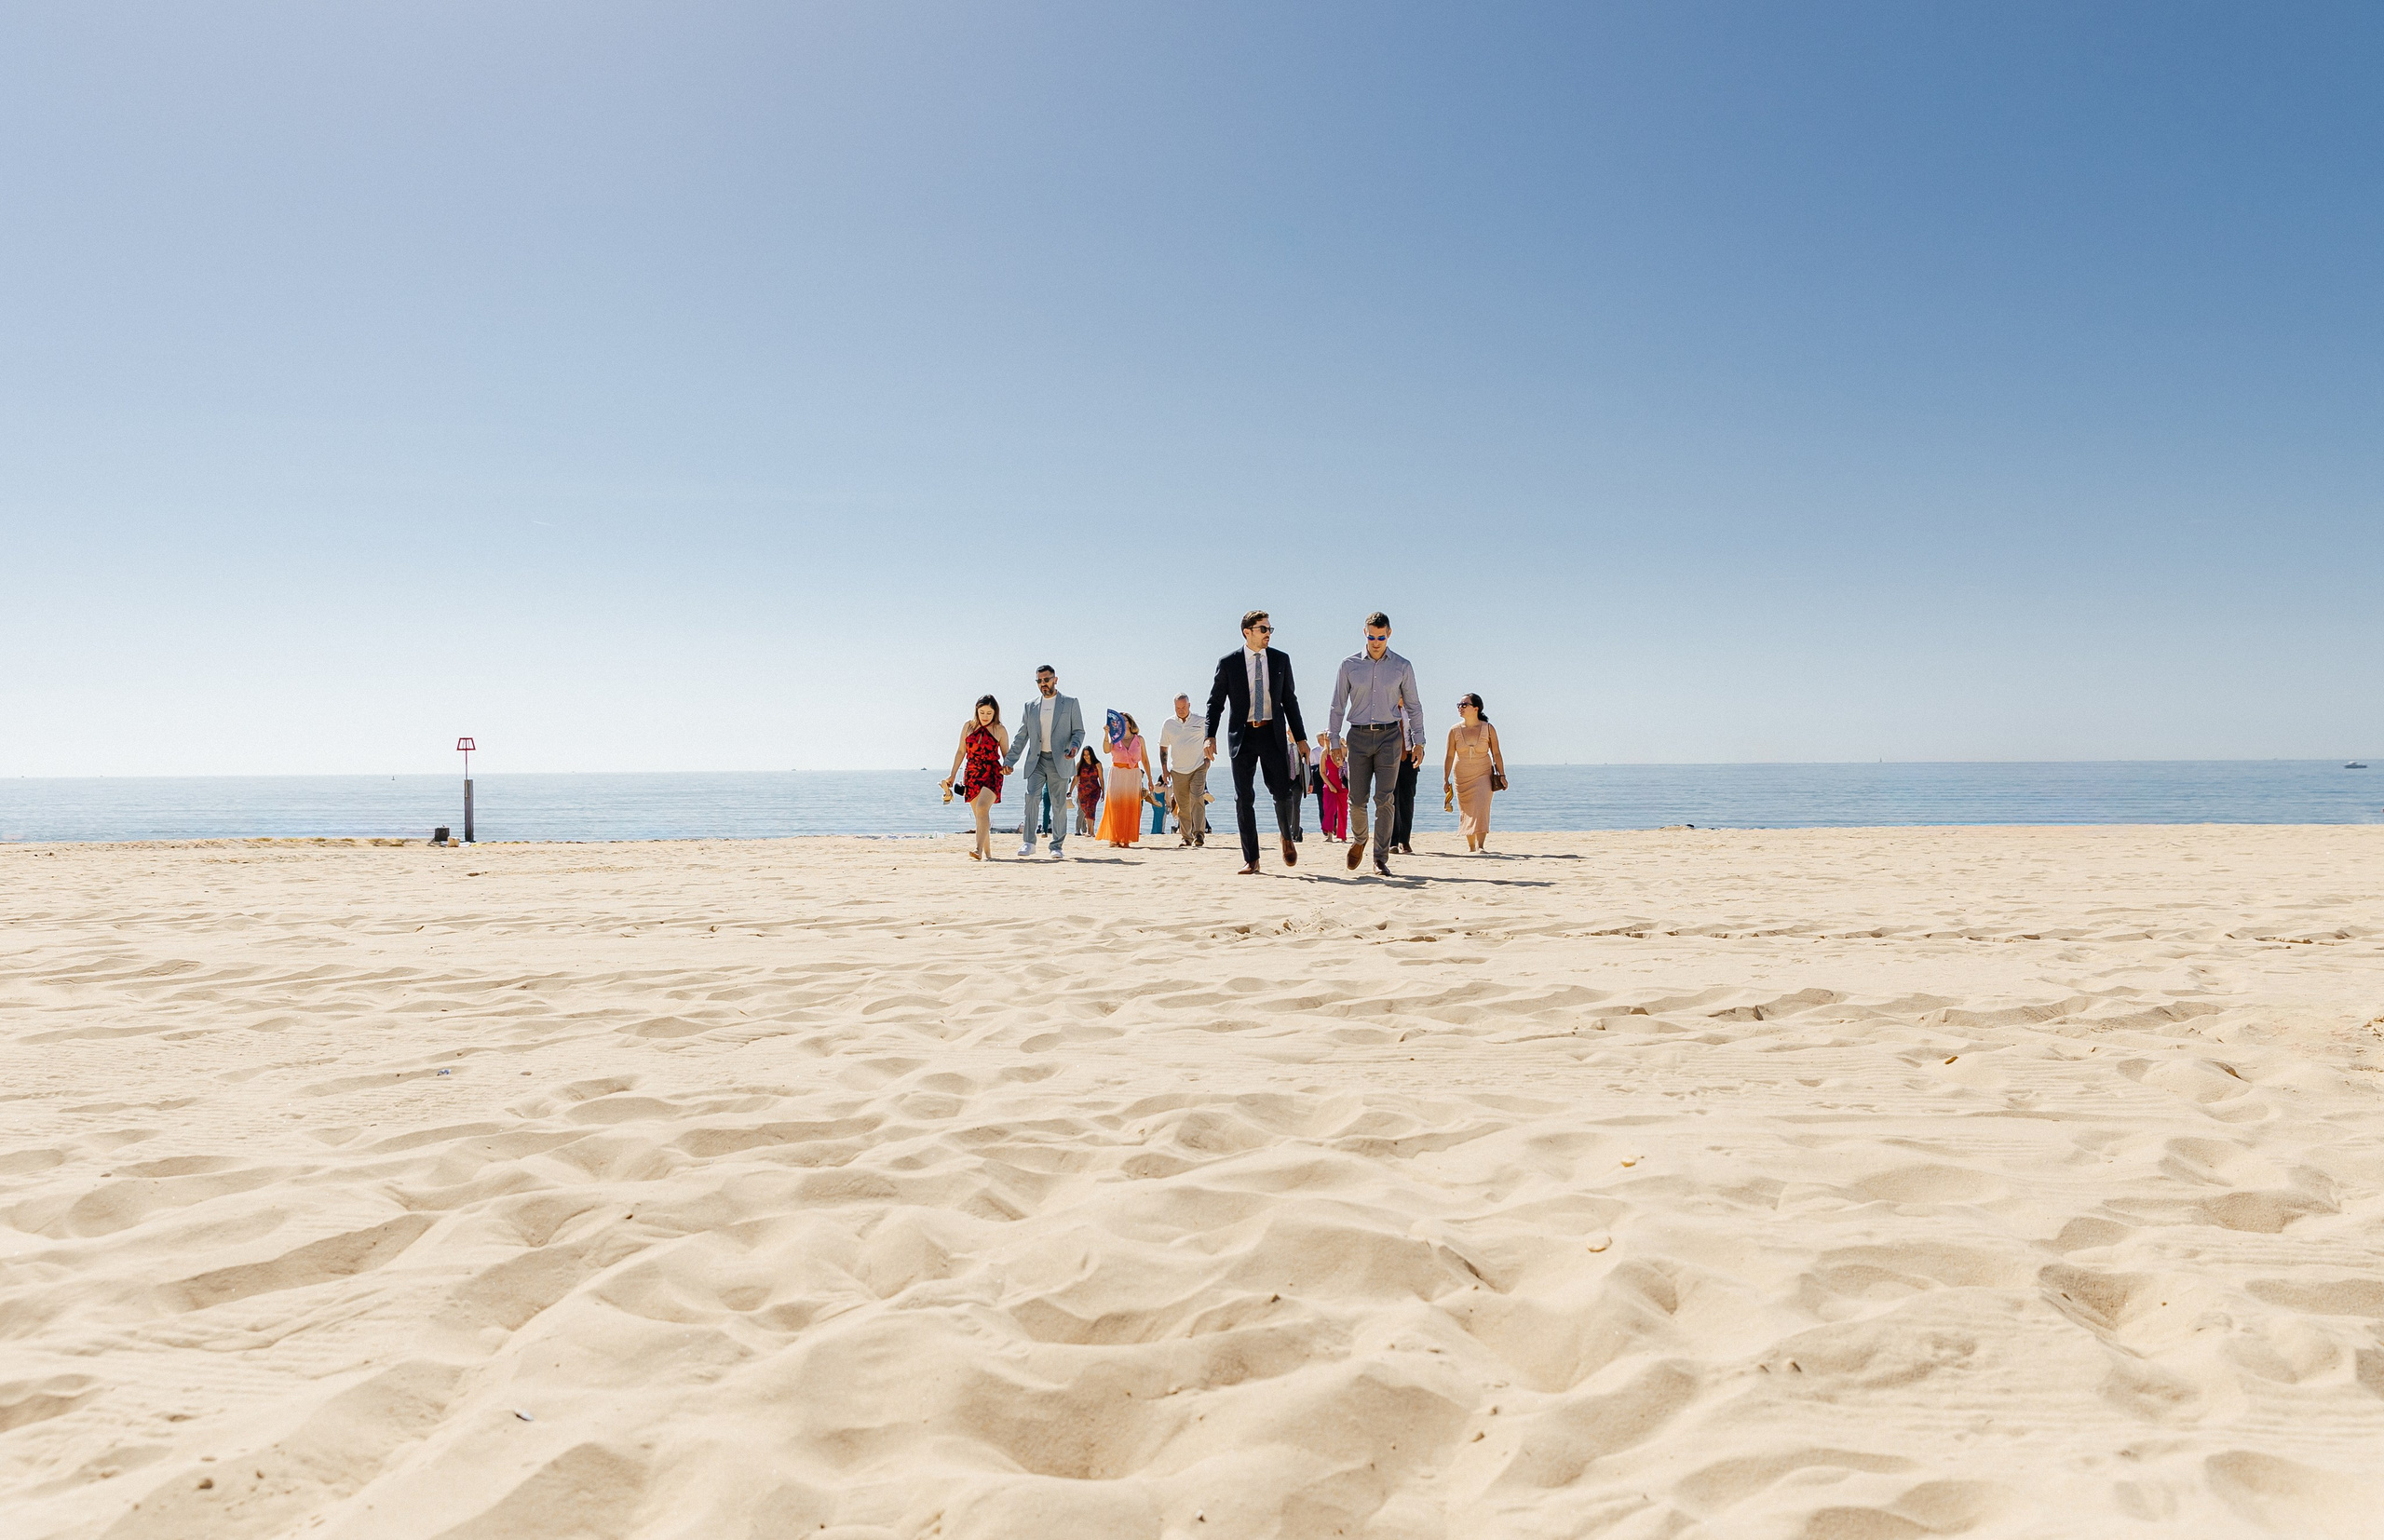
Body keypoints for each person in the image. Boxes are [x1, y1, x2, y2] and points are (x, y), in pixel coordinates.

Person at [1203, 609, 1308, 874]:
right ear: (1247, 632)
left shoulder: (1281, 660)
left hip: (1272, 733)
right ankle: (1252, 859)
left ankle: (1286, 836)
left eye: (1270, 629)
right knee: (1243, 798)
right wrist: (1209, 736)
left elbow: (1290, 701)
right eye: (1263, 629)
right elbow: (1215, 703)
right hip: (1243, 736)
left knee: (1282, 792)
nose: (1268, 634)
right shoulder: (1229, 663)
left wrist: (1302, 737)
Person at [1325, 611, 1426, 877]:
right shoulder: (1349, 665)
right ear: (1365, 633)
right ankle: (1360, 840)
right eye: (1372, 636)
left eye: (1381, 637)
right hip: (1357, 737)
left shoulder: (1402, 666)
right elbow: (1337, 705)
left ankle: (1380, 859)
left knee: (1385, 799)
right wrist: (1334, 740)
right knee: (1357, 801)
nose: (1376, 641)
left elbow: (1414, 707)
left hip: (1390, 737)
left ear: (1389, 634)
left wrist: (1419, 741)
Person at [1004, 665, 1085, 858]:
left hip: (1061, 760)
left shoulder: (1070, 703)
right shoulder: (1030, 706)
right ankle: (1029, 843)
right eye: (1039, 681)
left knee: (1058, 804)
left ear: (1055, 680)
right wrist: (1010, 761)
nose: (1043, 684)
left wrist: (1074, 748)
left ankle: (1056, 846)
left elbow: (1079, 731)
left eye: (1046, 680)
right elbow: (1021, 736)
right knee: (1031, 798)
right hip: (1036, 760)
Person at [939, 696, 1009, 860]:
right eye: (982, 712)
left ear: (995, 713)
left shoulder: (1000, 729)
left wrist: (1008, 767)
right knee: (980, 816)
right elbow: (961, 752)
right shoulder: (968, 727)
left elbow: (1007, 754)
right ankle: (989, 854)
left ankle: (977, 849)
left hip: (992, 772)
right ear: (976, 711)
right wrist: (953, 775)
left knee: (982, 807)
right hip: (972, 773)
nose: (985, 716)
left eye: (989, 713)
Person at [1444, 692, 1507, 852]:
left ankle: (1481, 846)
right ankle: (1471, 847)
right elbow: (1450, 755)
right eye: (1459, 705)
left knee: (1481, 807)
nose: (1461, 708)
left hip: (1483, 773)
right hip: (1462, 775)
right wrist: (1445, 779)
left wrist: (1502, 774)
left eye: (1464, 705)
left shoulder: (1488, 728)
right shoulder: (1454, 730)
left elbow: (1497, 753)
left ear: (1476, 708)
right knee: (1467, 809)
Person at [1158, 694, 1209, 848]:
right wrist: (1165, 770)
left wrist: (1208, 759)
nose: (1181, 710)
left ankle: (1199, 834)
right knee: (1183, 805)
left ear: (1189, 705)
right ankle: (1186, 837)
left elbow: (1209, 739)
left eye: (1183, 707)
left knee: (1197, 798)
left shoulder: (1201, 721)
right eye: (1177, 708)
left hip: (1198, 767)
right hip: (1178, 770)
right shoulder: (1168, 724)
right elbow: (1163, 747)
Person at [1095, 713, 1155, 846]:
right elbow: (1106, 750)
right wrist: (1106, 734)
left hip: (1133, 774)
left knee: (1130, 806)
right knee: (1116, 805)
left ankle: (1126, 839)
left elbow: (1145, 759)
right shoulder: (1115, 738)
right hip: (1117, 773)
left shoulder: (1139, 739)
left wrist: (1150, 779)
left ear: (1129, 723)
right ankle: (1115, 838)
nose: (1121, 722)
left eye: (1124, 720)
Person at [1316, 734, 1348, 841]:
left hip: (1342, 784)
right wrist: (1330, 785)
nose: (1328, 741)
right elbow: (1322, 772)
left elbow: (1344, 764)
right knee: (1329, 810)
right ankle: (1329, 835)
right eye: (1326, 739)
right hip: (1329, 784)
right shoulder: (1324, 752)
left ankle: (1342, 835)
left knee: (1343, 810)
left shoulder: (1342, 749)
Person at [1390, 754, 1418, 855]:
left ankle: (1404, 840)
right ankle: (1392, 842)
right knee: (1391, 801)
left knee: (1407, 801)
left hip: (1409, 757)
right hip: (1388, 756)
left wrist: (1420, 747)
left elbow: (1419, 738)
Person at [1073, 746, 1103, 836]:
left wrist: (1103, 791)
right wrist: (1070, 791)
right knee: (1086, 810)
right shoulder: (1079, 765)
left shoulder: (1097, 764)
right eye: (1084, 754)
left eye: (1088, 754)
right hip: (1082, 791)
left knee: (1090, 808)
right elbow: (1075, 778)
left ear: (1091, 754)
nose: (1086, 756)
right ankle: (1091, 831)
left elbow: (1101, 779)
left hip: (1095, 790)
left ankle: (1089, 832)